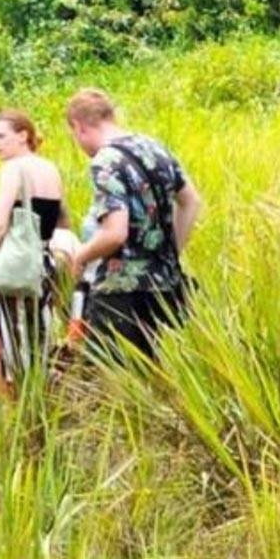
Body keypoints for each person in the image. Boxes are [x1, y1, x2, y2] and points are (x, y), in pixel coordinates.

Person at [65, 88, 202, 360]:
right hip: (162, 284)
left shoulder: (105, 160)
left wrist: (80, 256)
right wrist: (170, 252)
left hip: (120, 289)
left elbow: (115, 233)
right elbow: (191, 202)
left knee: (115, 380)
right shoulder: (154, 147)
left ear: (79, 127)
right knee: (149, 371)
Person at [0, 110, 71, 381]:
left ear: (23, 135)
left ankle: (26, 406)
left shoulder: (13, 168)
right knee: (39, 335)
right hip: (43, 261)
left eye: (1, 136)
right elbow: (60, 220)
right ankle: (42, 394)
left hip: (16, 267)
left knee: (16, 343)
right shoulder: (49, 168)